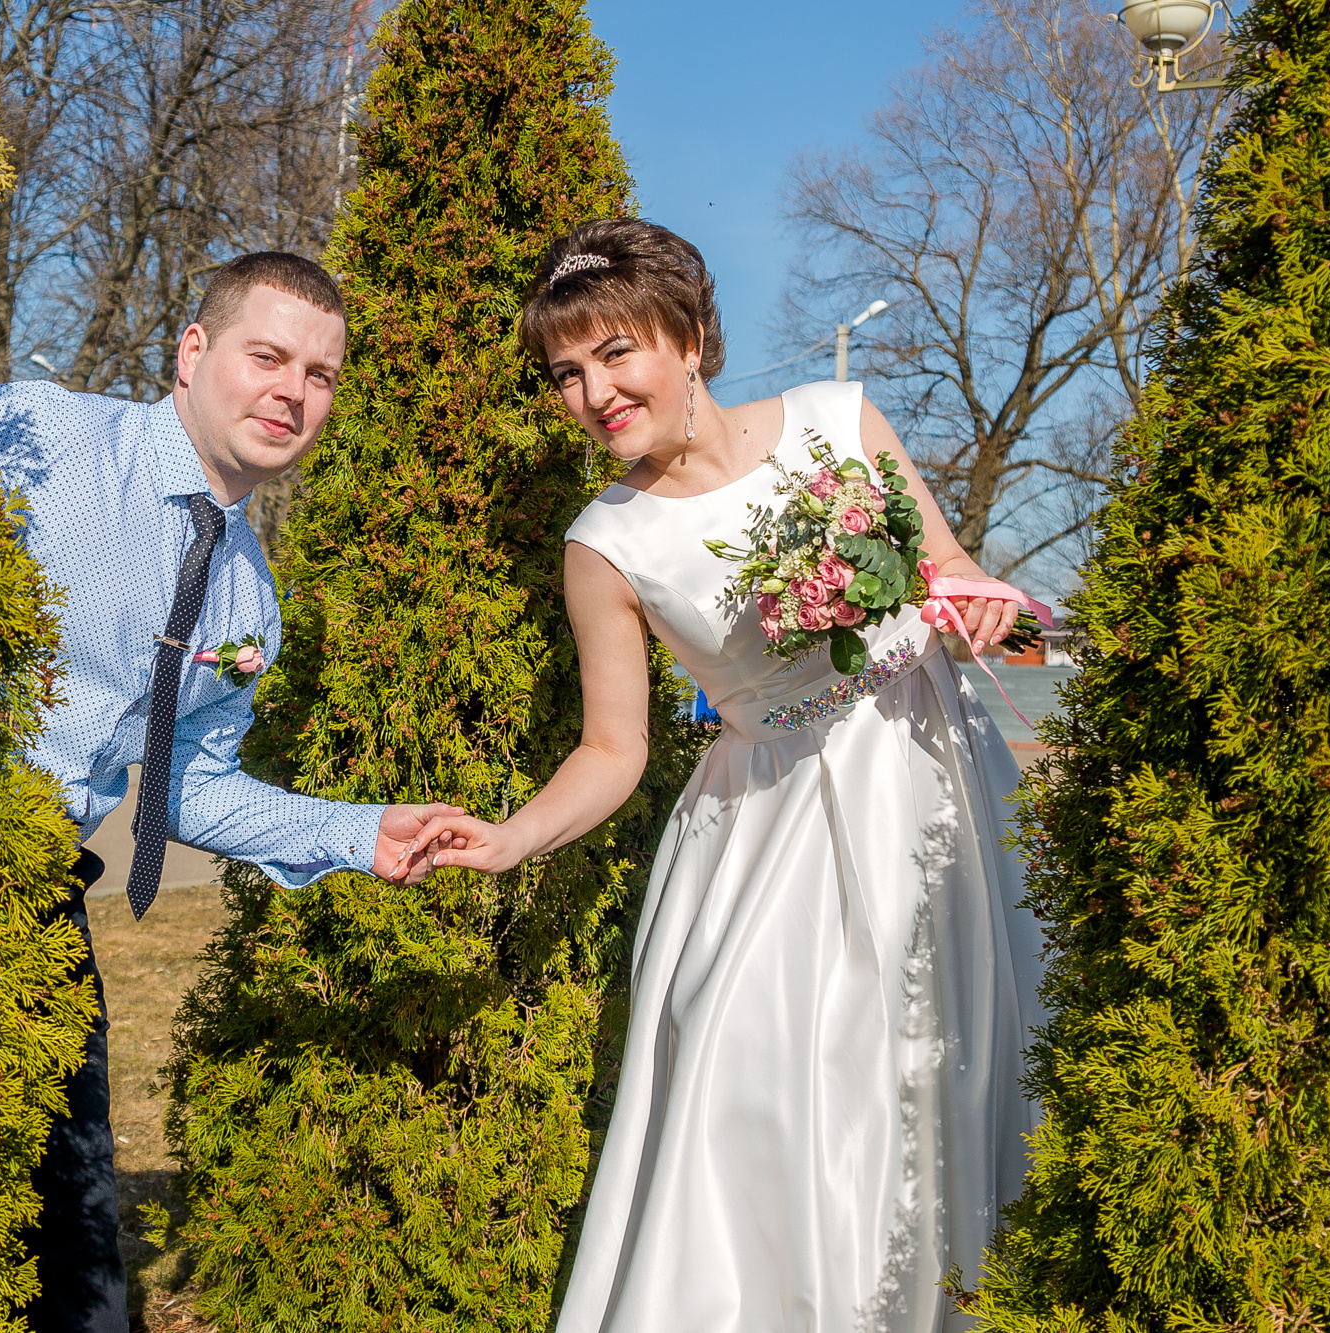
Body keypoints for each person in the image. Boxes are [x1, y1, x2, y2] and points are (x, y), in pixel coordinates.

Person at [401, 219, 1046, 1333]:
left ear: (690, 337)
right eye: (565, 372)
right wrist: (511, 836)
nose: (593, 393)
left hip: (927, 770)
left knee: (944, 1060)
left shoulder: (839, 420)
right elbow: (615, 749)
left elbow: (949, 572)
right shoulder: (605, 543)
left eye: (615, 353)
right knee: (767, 1080)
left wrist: (979, 603)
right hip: (772, 826)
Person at [0, 251, 459, 1333]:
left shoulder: (248, 602)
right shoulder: (44, 437)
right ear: (193, 352)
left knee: (78, 1248)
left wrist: (358, 832)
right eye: (267, 356)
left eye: (319, 375)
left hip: (42, 898)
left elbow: (187, 789)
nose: (292, 392)